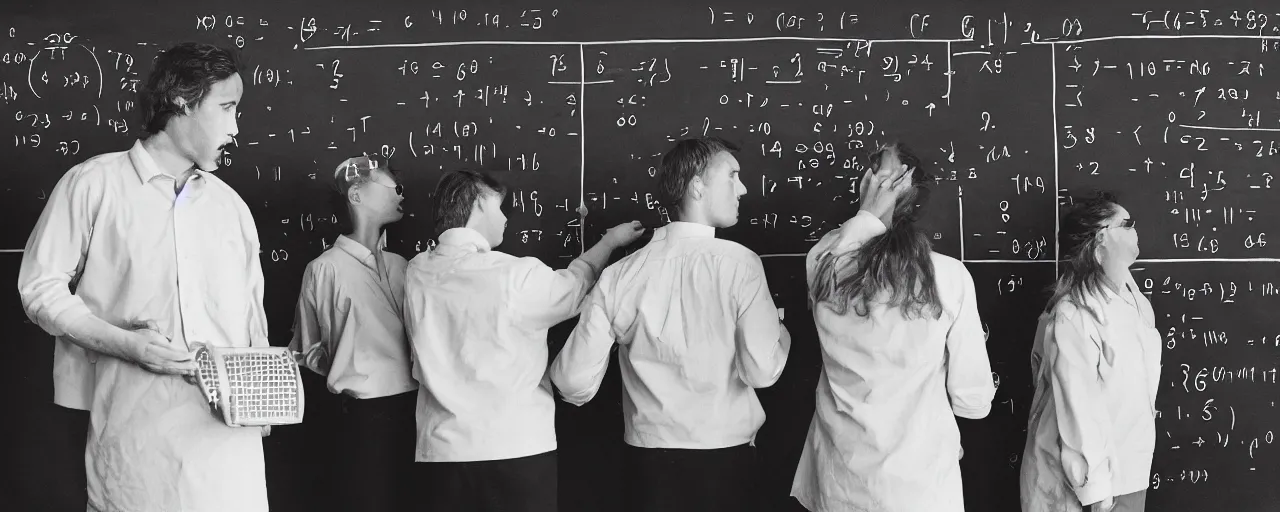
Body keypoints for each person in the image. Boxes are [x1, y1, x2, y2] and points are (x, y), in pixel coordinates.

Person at [16, 42, 270, 511]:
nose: (236, 129)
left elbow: (251, 315)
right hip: (135, 434)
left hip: (231, 443)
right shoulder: (92, 184)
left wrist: (262, 392)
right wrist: (123, 343)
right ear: (181, 99)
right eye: (227, 108)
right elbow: (39, 287)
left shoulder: (230, 207)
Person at [550, 137, 791, 512]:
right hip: (725, 463)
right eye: (732, 175)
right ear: (697, 185)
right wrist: (783, 334)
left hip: (647, 466)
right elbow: (762, 371)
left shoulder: (620, 275)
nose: (743, 189)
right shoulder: (741, 264)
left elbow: (571, 381)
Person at [404, 169, 645, 512]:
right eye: (500, 207)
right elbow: (573, 288)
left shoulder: (416, 273)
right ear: (478, 204)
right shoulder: (513, 275)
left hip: (441, 450)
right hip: (515, 449)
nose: (505, 218)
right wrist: (608, 243)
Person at [790, 142, 996, 512]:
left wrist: (868, 214)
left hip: (840, 481)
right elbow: (973, 399)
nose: (873, 182)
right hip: (920, 487)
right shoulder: (948, 277)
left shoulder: (824, 263)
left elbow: (837, 252)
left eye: (882, 176)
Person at [289, 154, 415, 511]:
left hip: (417, 412)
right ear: (356, 195)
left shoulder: (403, 266)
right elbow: (308, 352)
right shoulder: (324, 269)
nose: (402, 196)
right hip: (362, 420)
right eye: (395, 188)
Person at [1020, 193, 1158, 512]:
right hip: (1079, 484)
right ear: (1101, 238)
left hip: (1129, 469)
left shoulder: (1135, 303)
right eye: (1126, 225)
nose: (1135, 231)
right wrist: (1096, 491)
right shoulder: (1074, 313)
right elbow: (1078, 405)